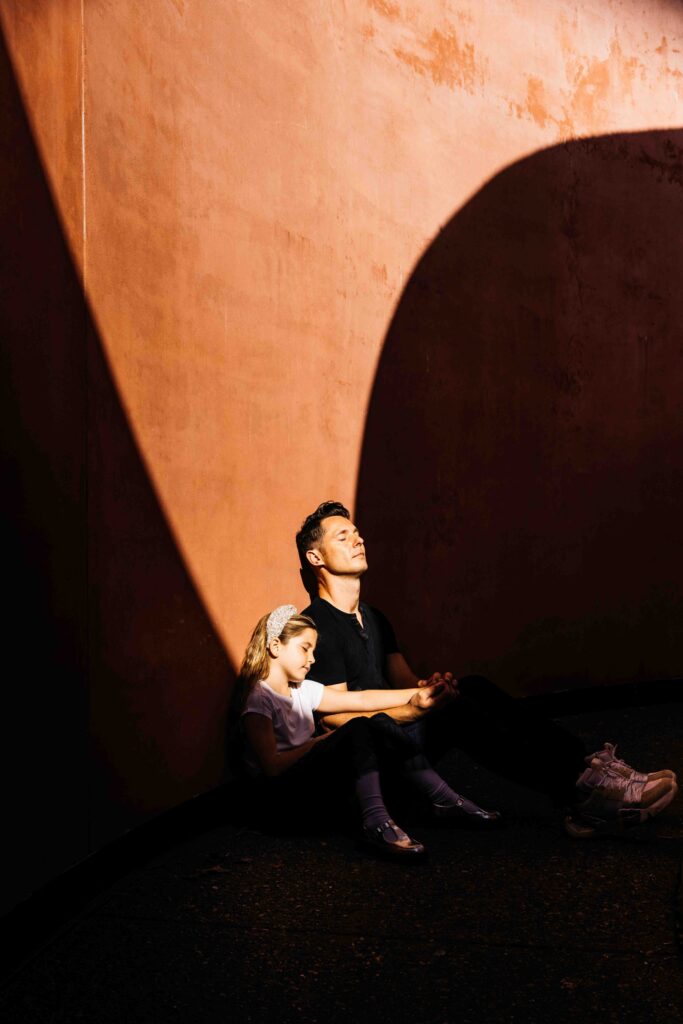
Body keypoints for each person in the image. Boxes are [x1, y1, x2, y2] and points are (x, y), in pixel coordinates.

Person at [297, 501, 678, 838]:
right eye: (344, 537)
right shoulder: (318, 626)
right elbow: (336, 720)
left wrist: (432, 689)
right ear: (316, 558)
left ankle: (587, 768)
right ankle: (583, 797)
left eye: (358, 533)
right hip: (374, 767)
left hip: (404, 734)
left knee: (471, 688)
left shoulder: (373, 617)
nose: (358, 540)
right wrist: (414, 708)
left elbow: (403, 681)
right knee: (460, 713)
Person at [237, 604, 499, 859]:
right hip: (279, 805)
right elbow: (272, 767)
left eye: (313, 651)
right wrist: (324, 741)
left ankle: (444, 799)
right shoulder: (260, 699)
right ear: (274, 647)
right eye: (305, 649)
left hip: (308, 789)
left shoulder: (303, 689)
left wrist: (421, 692)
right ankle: (376, 823)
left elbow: (362, 701)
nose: (312, 659)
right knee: (358, 727)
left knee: (376, 720)